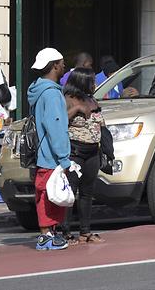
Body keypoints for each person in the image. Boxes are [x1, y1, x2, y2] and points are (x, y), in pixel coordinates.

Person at [28, 47, 74, 251]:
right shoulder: (53, 94)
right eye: (62, 62)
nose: (64, 66)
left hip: (41, 152)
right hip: (51, 155)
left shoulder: (37, 91)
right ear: (55, 65)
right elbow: (56, 127)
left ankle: (47, 234)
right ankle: (46, 234)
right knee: (51, 194)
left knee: (45, 193)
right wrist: (64, 157)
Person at [61, 68, 106, 244]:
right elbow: (60, 121)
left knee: (87, 192)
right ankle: (65, 231)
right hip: (75, 152)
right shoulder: (67, 100)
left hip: (93, 151)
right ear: (82, 81)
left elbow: (101, 123)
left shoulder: (92, 100)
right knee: (70, 192)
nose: (95, 84)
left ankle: (85, 231)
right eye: (92, 81)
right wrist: (77, 108)